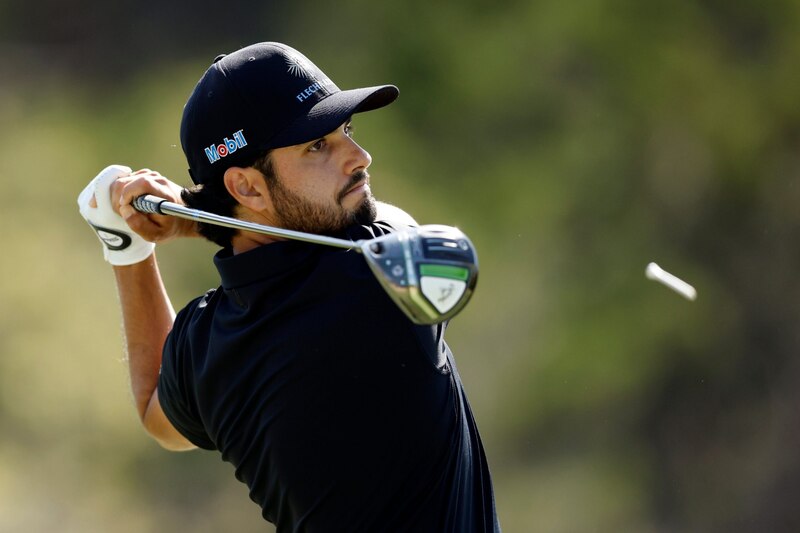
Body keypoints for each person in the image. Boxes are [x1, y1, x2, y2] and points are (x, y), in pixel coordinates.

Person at [78, 42, 500, 532]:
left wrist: (127, 248)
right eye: (317, 145)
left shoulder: (205, 341)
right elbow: (399, 224)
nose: (360, 157)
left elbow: (158, 415)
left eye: (345, 131)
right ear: (248, 188)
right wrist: (195, 223)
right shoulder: (371, 283)